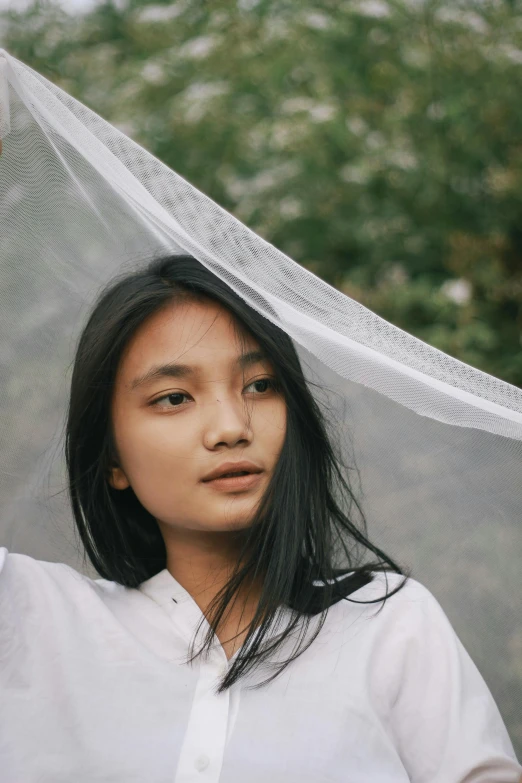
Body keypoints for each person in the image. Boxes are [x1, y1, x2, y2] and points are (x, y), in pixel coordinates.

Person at [0, 253, 520, 782]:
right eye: (174, 397)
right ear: (112, 458)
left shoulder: (387, 626)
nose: (231, 427)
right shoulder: (30, 615)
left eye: (259, 386)